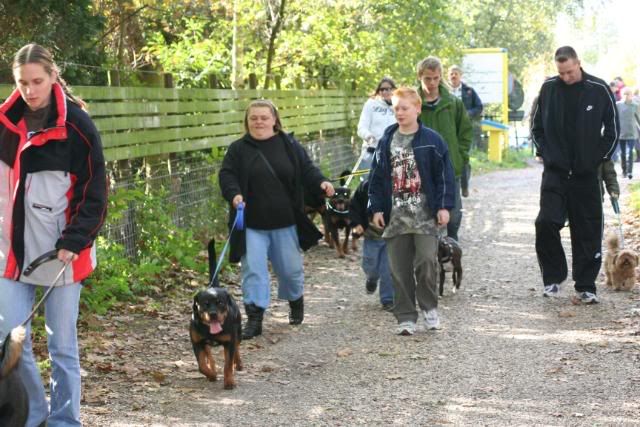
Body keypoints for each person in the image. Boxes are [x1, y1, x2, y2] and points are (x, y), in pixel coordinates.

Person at [0, 43, 108, 426]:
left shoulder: (77, 125)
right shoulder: (3, 122)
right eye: (22, 82)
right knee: (12, 339)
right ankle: (35, 417)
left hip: (63, 254)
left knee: (62, 346)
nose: (30, 90)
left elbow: (94, 193)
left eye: (38, 81)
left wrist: (74, 241)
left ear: (53, 77)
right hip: (9, 254)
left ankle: (66, 421)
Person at [219, 100, 335, 339]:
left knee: (290, 271)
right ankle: (254, 317)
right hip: (251, 224)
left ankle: (295, 299)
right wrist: (234, 195)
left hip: (285, 221)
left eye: (264, 117)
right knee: (254, 271)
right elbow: (227, 175)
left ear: (274, 120)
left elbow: (307, 169)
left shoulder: (289, 144)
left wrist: (321, 182)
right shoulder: (237, 149)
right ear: (247, 121)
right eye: (254, 118)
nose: (259, 122)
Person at [531, 46, 619, 304]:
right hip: (556, 172)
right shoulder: (549, 89)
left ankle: (586, 285)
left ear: (579, 63)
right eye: (561, 72)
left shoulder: (599, 89)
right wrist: (547, 153)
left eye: (569, 71)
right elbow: (536, 128)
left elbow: (612, 130)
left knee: (587, 228)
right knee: (546, 222)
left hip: (586, 174)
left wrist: (597, 158)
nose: (566, 77)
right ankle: (553, 278)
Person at [368, 87, 455, 335]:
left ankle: (429, 308)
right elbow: (376, 178)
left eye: (404, 108)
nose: (400, 113)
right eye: (396, 108)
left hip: (425, 215)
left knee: (427, 261)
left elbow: (444, 177)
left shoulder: (433, 140)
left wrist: (444, 207)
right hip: (396, 216)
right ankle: (405, 316)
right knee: (398, 268)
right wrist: (375, 208)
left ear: (417, 108)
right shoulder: (386, 141)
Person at [416, 56, 472, 241]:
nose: (432, 83)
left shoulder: (453, 103)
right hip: (421, 167)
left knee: (453, 212)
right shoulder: (413, 104)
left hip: (449, 166)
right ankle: (428, 252)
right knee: (424, 211)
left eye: (436, 78)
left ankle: (451, 243)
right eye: (427, 78)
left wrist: (460, 155)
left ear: (441, 77)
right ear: (419, 77)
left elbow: (464, 132)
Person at [349, 178, 394, 311]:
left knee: (388, 269)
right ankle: (372, 278)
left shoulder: (402, 184)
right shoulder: (366, 186)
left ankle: (388, 299)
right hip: (372, 236)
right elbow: (354, 206)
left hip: (392, 236)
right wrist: (357, 223)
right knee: (370, 264)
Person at [448, 65, 483, 198]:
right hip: (449, 128)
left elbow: (479, 107)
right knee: (449, 156)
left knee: (463, 157)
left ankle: (464, 185)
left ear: (460, 75)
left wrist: (467, 114)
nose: (453, 76)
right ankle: (452, 185)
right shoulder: (444, 92)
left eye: (456, 73)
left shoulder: (469, 91)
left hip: (464, 129)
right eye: (451, 73)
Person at [356, 77, 397, 171]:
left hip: (392, 153)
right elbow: (361, 127)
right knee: (369, 183)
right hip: (372, 151)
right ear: (378, 91)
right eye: (382, 89)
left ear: (394, 89)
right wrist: (368, 136)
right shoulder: (371, 104)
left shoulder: (398, 106)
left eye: (389, 88)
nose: (386, 92)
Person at [615, 87, 640, 179]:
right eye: (624, 94)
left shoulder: (635, 105)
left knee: (630, 153)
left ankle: (630, 172)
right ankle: (624, 171)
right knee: (622, 153)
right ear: (622, 95)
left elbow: (638, 118)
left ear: (631, 95)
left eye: (628, 94)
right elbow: (614, 118)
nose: (626, 96)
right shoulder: (618, 105)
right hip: (621, 133)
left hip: (632, 133)